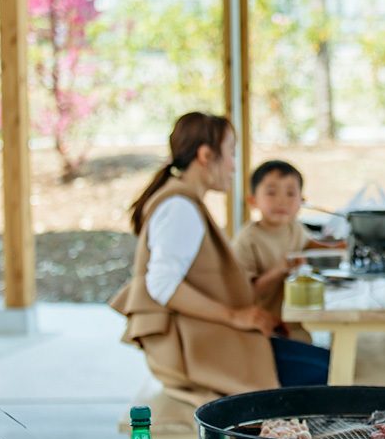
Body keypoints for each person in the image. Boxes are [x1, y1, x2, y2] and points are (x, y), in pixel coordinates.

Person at [110, 113, 328, 405]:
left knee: (323, 365)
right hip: (190, 353)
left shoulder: (183, 202)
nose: (234, 166)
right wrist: (236, 316)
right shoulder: (180, 208)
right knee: (332, 373)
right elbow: (161, 285)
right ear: (205, 155)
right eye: (231, 154)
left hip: (202, 342)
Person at [231, 160, 344, 345]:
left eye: (290, 193)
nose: (281, 200)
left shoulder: (295, 228)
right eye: (271, 192)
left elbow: (311, 245)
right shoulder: (247, 240)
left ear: (302, 202)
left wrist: (340, 246)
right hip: (263, 332)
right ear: (252, 200)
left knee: (332, 355)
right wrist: (279, 270)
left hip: (295, 326)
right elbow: (246, 293)